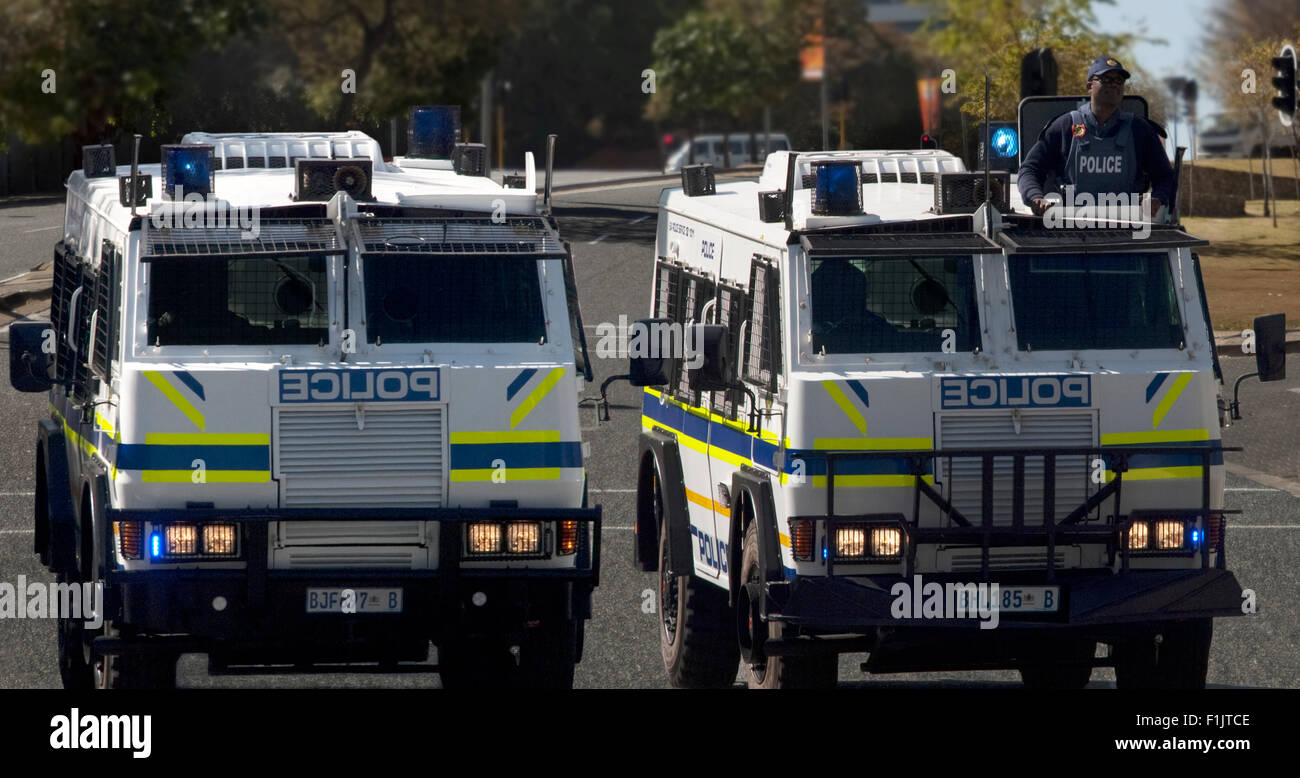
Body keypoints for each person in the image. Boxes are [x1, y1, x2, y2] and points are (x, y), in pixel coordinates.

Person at [1017, 55, 1175, 217]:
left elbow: (1164, 176)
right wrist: (1036, 197)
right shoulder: (1065, 127)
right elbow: (1029, 169)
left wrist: (1157, 198)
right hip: (1071, 229)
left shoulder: (1139, 129)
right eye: (1106, 79)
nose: (1114, 85)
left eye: (1119, 81)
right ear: (1089, 86)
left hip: (1127, 227)